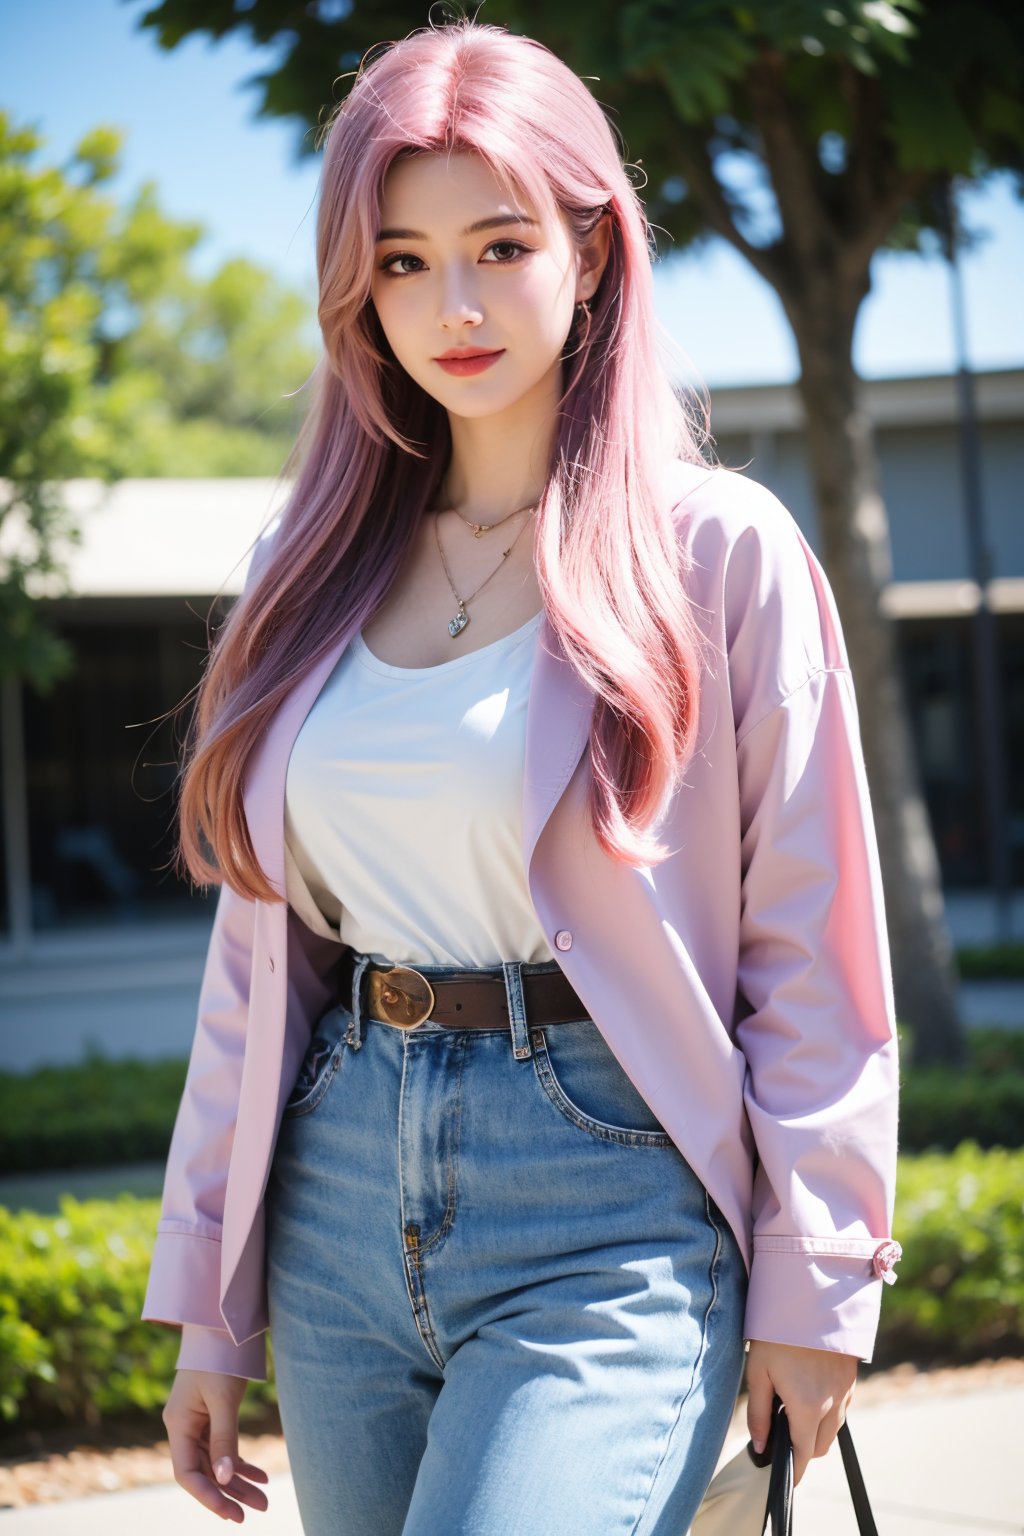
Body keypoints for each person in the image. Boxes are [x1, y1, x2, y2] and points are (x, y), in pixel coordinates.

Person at [142, 17, 903, 1535]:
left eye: (500, 244)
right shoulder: (301, 575)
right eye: (406, 261)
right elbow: (256, 973)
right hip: (340, 1198)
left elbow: (809, 947)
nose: (456, 303)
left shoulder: (716, 550)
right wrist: (211, 1307)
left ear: (596, 251)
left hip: (610, 1204)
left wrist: (819, 1285)